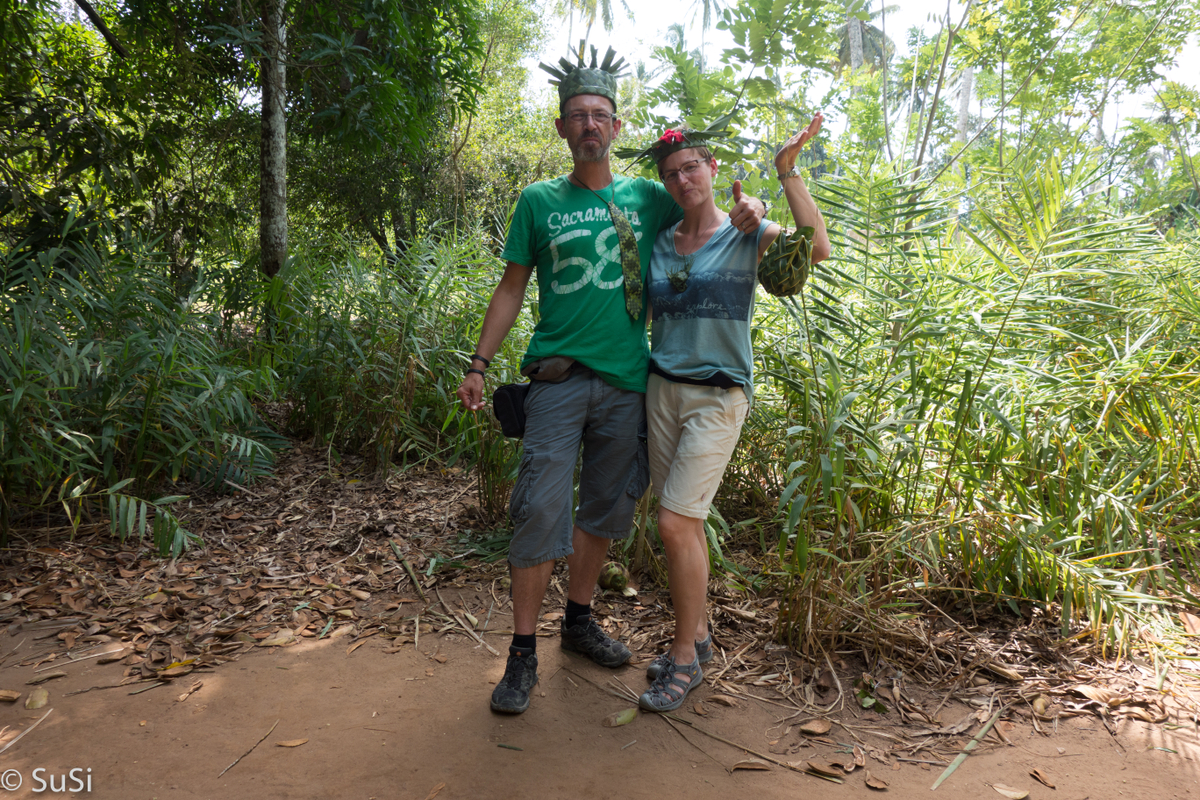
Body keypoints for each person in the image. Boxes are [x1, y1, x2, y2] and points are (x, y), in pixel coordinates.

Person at [453, 46, 766, 715]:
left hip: (630, 386)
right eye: (577, 116)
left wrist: (755, 206)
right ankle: (522, 652)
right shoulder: (538, 202)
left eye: (600, 114)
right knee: (540, 509)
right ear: (563, 129)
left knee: (604, 511)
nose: (589, 124)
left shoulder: (648, 197)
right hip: (559, 381)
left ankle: (578, 620)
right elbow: (512, 288)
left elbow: (702, 206)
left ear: (616, 128)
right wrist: (479, 363)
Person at [626, 114, 831, 712]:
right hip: (662, 390)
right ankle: (701, 636)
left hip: (719, 395)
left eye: (692, 166)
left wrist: (784, 174)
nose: (684, 178)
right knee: (681, 523)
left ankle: (683, 662)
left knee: (673, 523)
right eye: (672, 173)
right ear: (666, 185)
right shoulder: (661, 241)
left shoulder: (746, 230)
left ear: (713, 170)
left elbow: (815, 250)